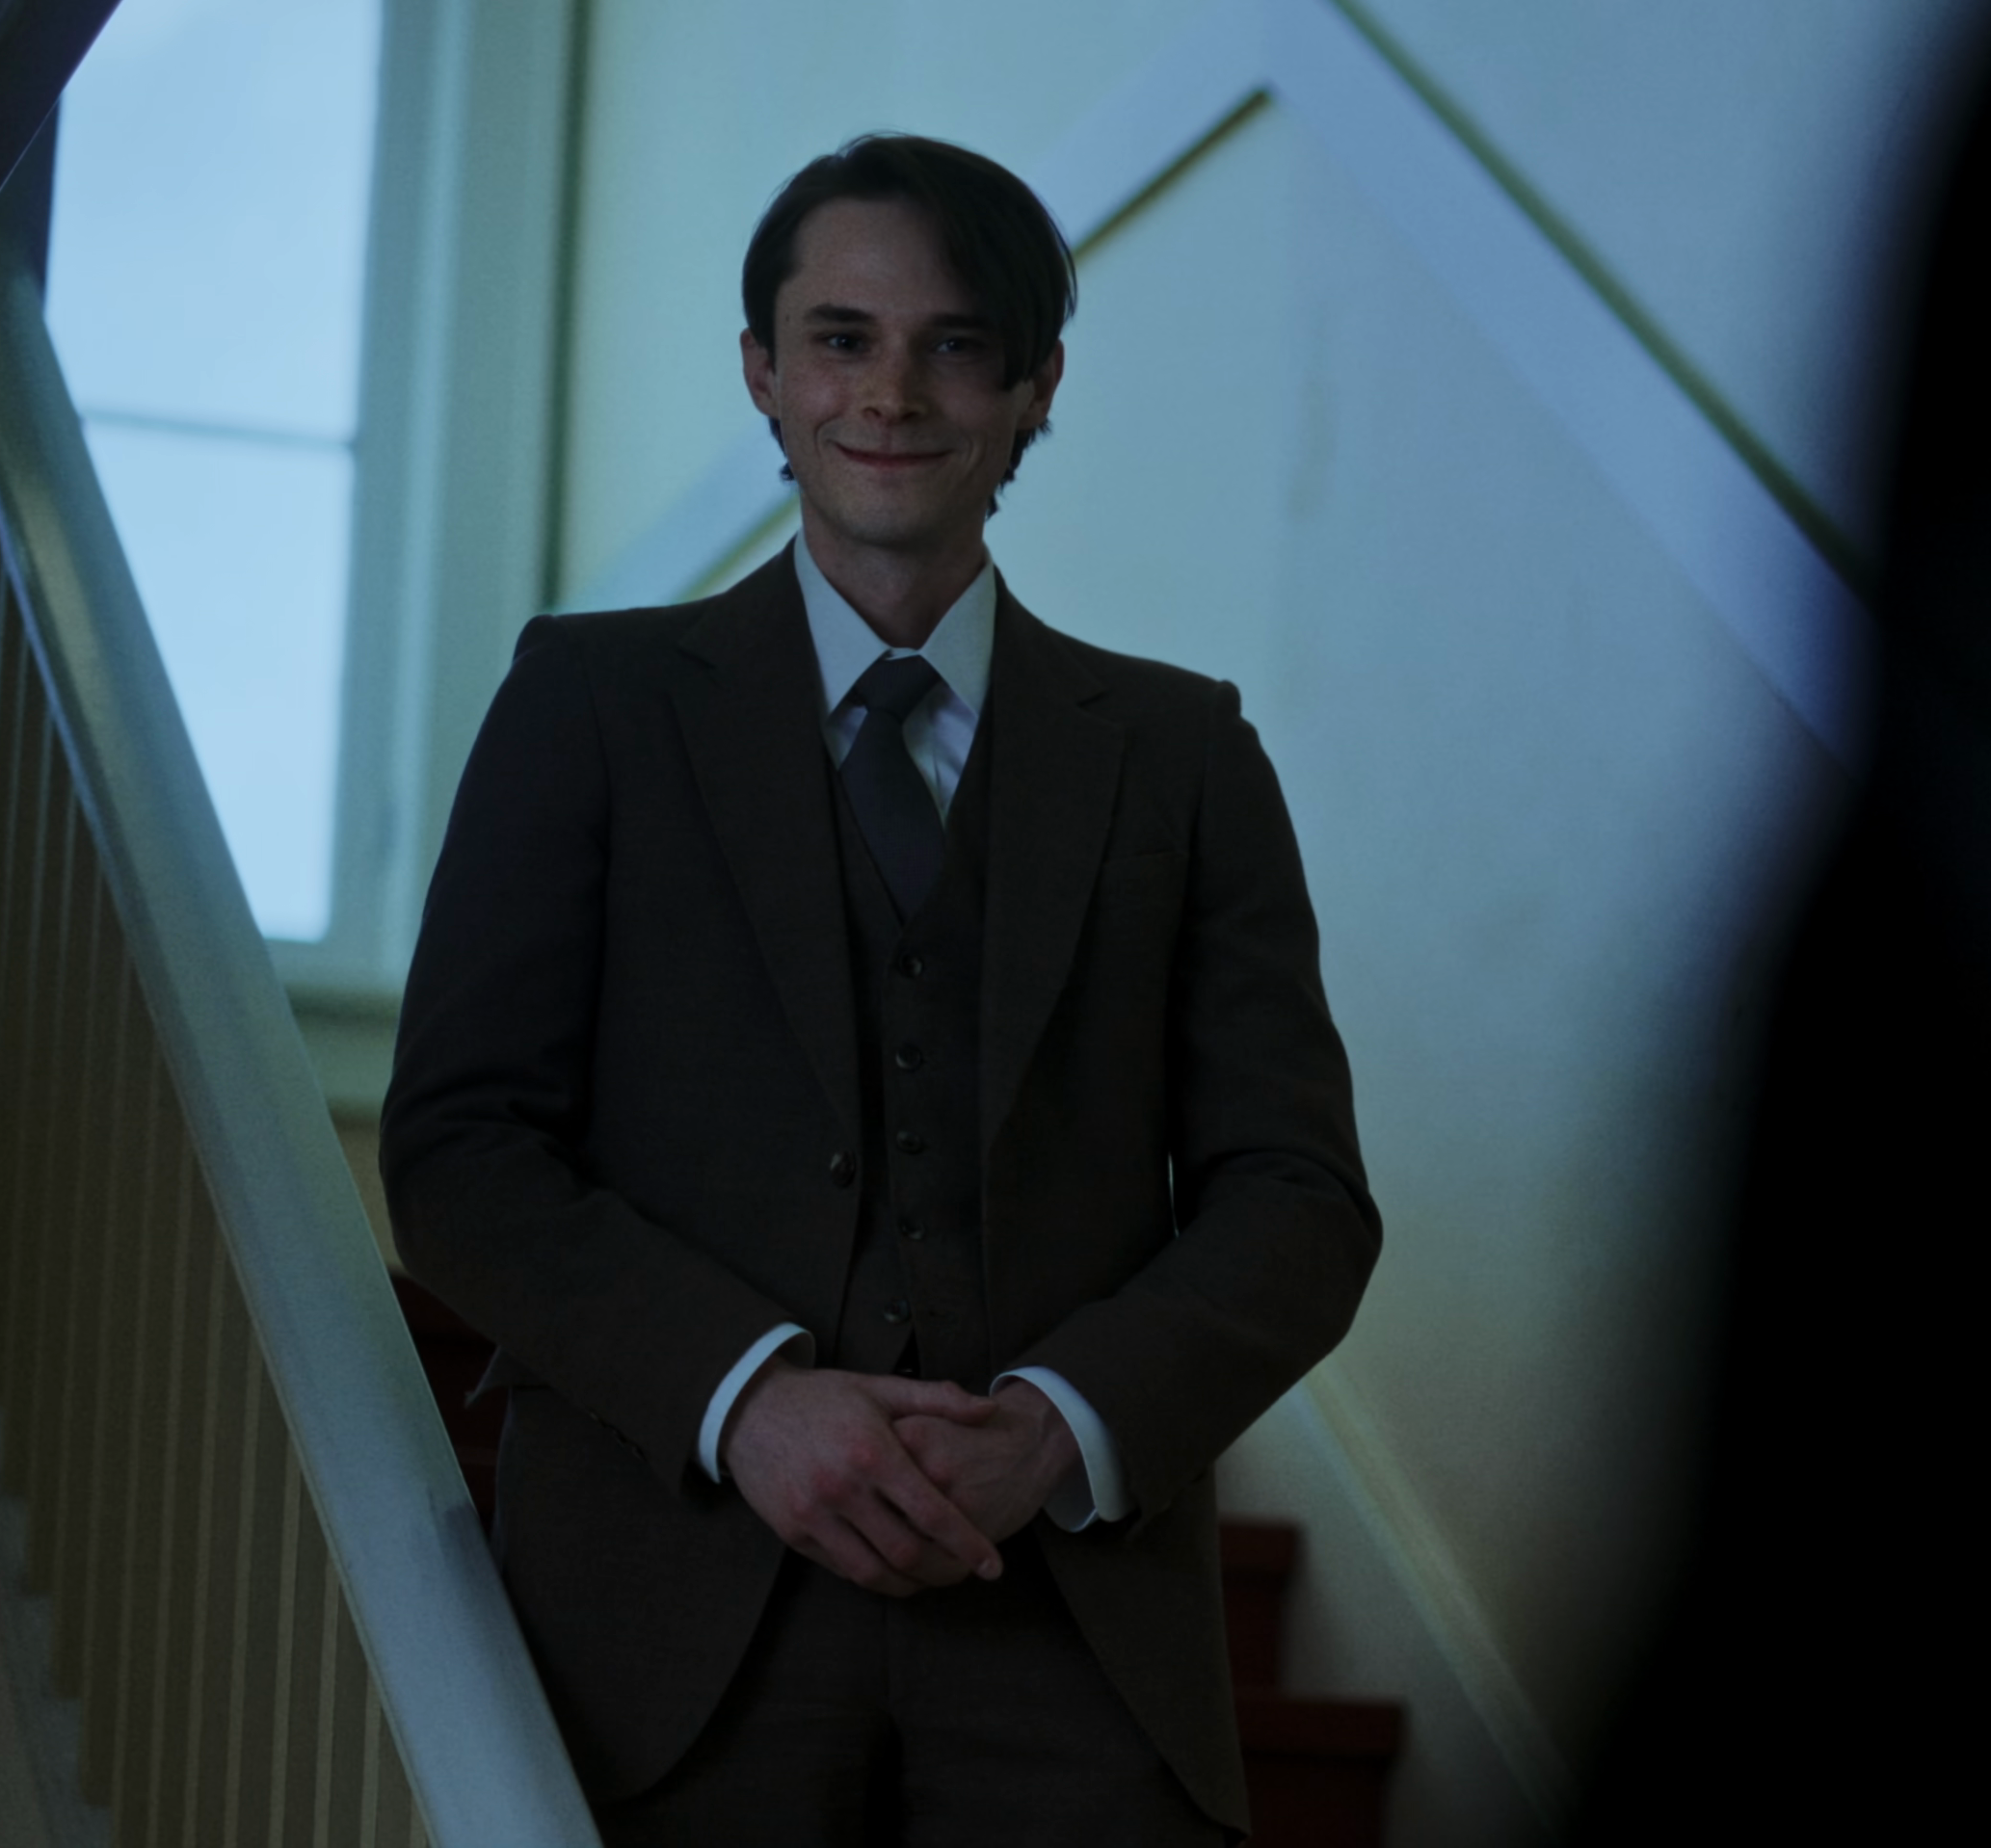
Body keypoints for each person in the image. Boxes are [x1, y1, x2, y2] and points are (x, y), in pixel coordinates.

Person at [383, 133, 1378, 1846]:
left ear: (1035, 385)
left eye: (955, 344)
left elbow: (1297, 1200)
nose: (892, 392)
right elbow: (462, 1151)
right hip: (671, 1624)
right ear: (762, 373)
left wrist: (1057, 1429)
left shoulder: (1183, 753)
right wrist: (748, 1400)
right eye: (840, 338)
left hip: (1072, 1623)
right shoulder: (588, 704)